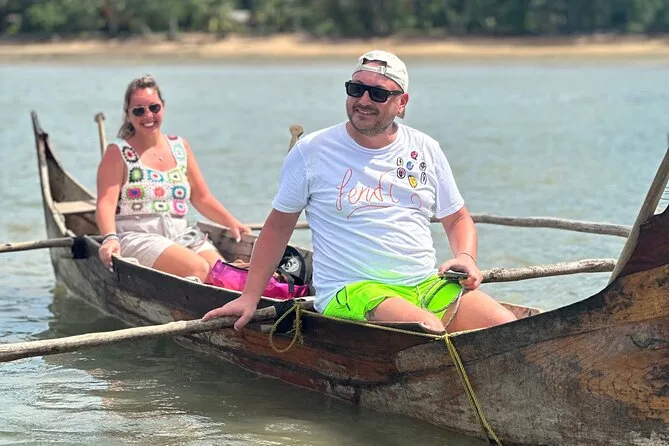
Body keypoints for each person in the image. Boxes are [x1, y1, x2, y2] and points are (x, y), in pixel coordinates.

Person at [203, 50, 517, 332]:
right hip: (351, 289)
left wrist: (466, 257)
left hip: (424, 284)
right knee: (426, 328)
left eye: (378, 93)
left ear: (402, 103)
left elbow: (457, 218)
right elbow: (277, 229)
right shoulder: (311, 151)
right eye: (356, 89)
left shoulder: (426, 149)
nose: (363, 100)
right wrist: (249, 297)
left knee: (506, 327)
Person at [96, 74, 251, 282]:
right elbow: (105, 203)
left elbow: (202, 198)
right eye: (139, 110)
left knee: (228, 277)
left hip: (183, 236)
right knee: (198, 268)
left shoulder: (180, 147)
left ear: (163, 107)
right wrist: (109, 238)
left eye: (154, 107)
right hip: (138, 238)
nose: (148, 115)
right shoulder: (117, 153)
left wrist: (232, 223)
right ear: (128, 115)